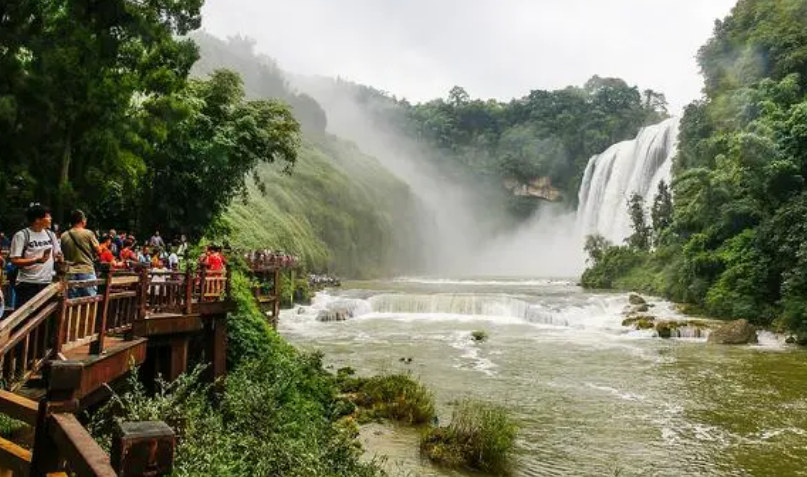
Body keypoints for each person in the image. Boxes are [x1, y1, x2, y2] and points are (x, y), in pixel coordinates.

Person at [9, 204, 62, 308]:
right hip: (27, 283)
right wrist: (36, 260)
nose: (50, 219)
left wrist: (60, 258)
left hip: (46, 282)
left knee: (44, 318)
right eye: (47, 216)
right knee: (25, 317)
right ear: (37, 220)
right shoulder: (22, 235)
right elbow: (14, 260)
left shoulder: (50, 234)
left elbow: (57, 254)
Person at [60, 210, 101, 298]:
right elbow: (99, 251)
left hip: (70, 272)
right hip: (86, 270)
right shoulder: (88, 233)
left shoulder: (64, 235)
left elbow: (62, 254)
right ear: (83, 220)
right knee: (89, 301)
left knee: (72, 302)